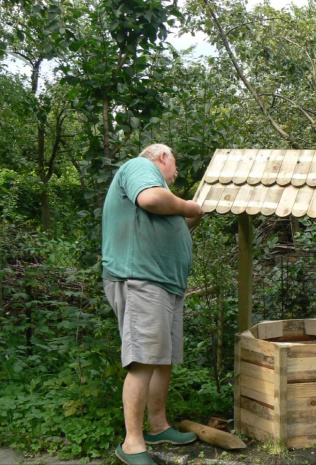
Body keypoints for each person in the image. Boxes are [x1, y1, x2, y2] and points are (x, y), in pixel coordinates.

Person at [102, 143, 206, 465]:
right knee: (144, 359)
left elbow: (169, 226)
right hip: (140, 280)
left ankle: (158, 426)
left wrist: (187, 219)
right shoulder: (140, 167)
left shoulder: (161, 192)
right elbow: (150, 199)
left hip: (165, 284)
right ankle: (132, 444)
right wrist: (190, 207)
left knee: (163, 359)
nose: (176, 174)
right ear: (163, 157)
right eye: (175, 166)